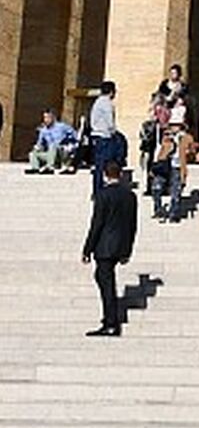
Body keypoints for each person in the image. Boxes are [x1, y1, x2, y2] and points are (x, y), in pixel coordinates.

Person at [81, 158, 137, 337]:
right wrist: (127, 249)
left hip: (104, 245)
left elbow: (97, 223)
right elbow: (132, 225)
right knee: (104, 279)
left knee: (106, 284)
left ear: (105, 175)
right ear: (120, 175)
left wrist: (87, 248)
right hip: (120, 244)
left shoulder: (103, 195)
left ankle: (111, 322)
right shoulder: (130, 195)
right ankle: (109, 319)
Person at [87, 79, 122, 195]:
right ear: (111, 92)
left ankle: (97, 190)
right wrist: (114, 132)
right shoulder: (106, 103)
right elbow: (109, 121)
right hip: (104, 137)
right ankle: (100, 190)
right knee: (105, 164)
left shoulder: (97, 102)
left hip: (97, 136)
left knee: (99, 165)